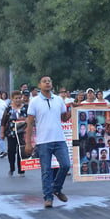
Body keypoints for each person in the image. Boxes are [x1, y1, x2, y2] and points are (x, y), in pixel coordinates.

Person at [25, 76, 71, 208]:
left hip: (59, 139)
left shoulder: (58, 100)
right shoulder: (34, 101)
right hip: (43, 141)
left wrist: (73, 109)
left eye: (49, 81)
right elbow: (30, 123)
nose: (47, 83)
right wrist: (28, 143)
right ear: (39, 85)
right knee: (46, 171)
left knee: (65, 165)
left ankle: (56, 188)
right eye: (44, 81)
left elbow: (64, 118)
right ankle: (48, 197)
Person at [1, 90, 28, 177]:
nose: (18, 100)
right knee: (11, 151)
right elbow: (3, 121)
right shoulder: (8, 109)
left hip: (23, 133)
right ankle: (12, 167)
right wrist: (2, 133)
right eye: (16, 98)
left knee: (21, 152)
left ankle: (21, 170)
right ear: (12, 99)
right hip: (11, 133)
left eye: (19, 98)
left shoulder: (25, 108)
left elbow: (31, 119)